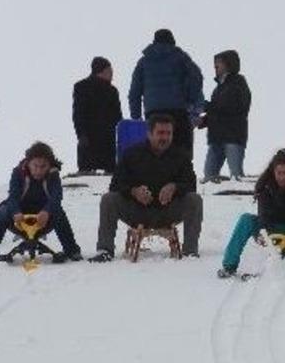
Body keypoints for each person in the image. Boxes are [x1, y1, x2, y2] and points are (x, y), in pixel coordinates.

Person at [90, 112, 203, 261]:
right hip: (137, 211)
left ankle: (190, 252)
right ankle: (104, 250)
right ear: (149, 134)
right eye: (160, 133)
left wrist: (174, 187)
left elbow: (190, 185)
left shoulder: (181, 155)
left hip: (168, 211)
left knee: (194, 200)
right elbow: (116, 185)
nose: (164, 137)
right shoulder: (131, 154)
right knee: (108, 199)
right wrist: (134, 191)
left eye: (168, 133)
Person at [218, 149, 285, 278]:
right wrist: (264, 234)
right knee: (246, 219)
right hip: (269, 233)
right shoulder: (264, 186)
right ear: (273, 171)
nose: (282, 177)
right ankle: (229, 266)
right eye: (279, 173)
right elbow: (263, 213)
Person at [0, 142, 82, 266]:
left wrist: (46, 211)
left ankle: (72, 251)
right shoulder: (18, 173)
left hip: (43, 221)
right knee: (2, 212)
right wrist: (16, 212)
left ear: (49, 164)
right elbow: (12, 197)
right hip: (19, 221)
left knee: (58, 211)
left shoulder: (53, 175)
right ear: (28, 163)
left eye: (43, 166)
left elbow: (56, 197)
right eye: (35, 166)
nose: (38, 170)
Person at [128, 28, 205, 156]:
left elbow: (134, 92)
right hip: (178, 110)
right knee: (181, 150)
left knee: (156, 149)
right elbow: (196, 76)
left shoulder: (143, 62)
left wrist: (136, 117)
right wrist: (190, 97)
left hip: (153, 112)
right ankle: (182, 173)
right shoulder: (181, 57)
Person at [200, 49, 251, 182]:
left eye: (218, 63)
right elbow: (218, 112)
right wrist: (203, 121)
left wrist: (204, 105)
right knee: (209, 176)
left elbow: (230, 107)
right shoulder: (218, 88)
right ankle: (213, 202)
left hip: (232, 137)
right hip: (216, 137)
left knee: (236, 175)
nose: (215, 66)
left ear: (229, 64)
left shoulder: (238, 84)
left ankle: (240, 200)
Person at [72, 56, 123, 173]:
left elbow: (78, 113)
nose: (112, 76)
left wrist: (81, 134)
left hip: (88, 138)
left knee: (86, 175)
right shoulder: (112, 91)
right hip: (107, 140)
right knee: (110, 176)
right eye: (110, 72)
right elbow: (118, 117)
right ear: (104, 71)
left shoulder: (80, 87)